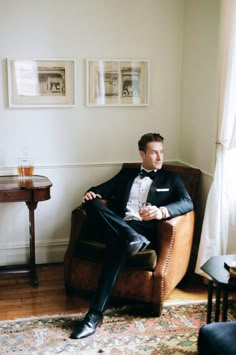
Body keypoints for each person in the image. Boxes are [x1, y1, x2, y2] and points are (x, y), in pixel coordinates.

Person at [70, 132, 193, 340]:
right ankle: (128, 236)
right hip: (121, 226)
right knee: (90, 201)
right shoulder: (126, 175)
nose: (160, 157)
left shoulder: (171, 179)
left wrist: (162, 211)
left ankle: (94, 314)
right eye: (154, 153)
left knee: (117, 244)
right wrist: (91, 193)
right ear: (142, 154)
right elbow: (98, 190)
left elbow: (187, 202)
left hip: (144, 229)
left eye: (162, 152)